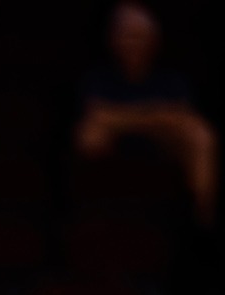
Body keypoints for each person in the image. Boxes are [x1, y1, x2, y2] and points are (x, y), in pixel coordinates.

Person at [75, 1, 216, 228]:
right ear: (113, 39)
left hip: (162, 147)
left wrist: (122, 118)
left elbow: (182, 120)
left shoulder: (171, 80)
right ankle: (95, 216)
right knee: (89, 135)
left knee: (201, 135)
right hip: (117, 147)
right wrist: (156, 115)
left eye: (139, 37)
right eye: (127, 36)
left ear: (154, 41)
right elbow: (97, 118)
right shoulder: (98, 78)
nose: (133, 44)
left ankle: (201, 220)